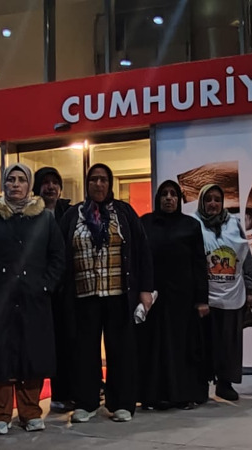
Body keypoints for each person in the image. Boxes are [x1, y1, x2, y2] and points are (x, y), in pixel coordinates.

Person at [0, 163, 64, 435]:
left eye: (21, 180)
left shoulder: (44, 218)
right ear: (4, 184)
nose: (16, 184)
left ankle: (31, 413)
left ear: (29, 185)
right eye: (11, 179)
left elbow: (58, 256)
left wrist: (46, 286)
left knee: (32, 355)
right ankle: (0, 415)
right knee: (0, 357)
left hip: (34, 299)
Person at [61, 163, 153, 424]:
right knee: (84, 351)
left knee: (121, 349)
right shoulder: (73, 215)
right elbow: (60, 252)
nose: (98, 184)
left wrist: (145, 290)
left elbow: (142, 251)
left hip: (118, 294)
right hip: (84, 295)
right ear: (87, 183)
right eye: (93, 179)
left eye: (103, 179)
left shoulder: (123, 212)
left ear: (110, 184)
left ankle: (122, 403)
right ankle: (86, 402)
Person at [137, 180, 210, 410]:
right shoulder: (145, 223)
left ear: (179, 199)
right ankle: (152, 396)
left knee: (181, 348)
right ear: (158, 198)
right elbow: (138, 259)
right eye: (164, 194)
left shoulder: (191, 226)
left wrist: (202, 299)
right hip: (153, 299)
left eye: (173, 194)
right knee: (154, 348)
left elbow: (199, 263)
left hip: (183, 300)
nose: (169, 198)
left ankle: (182, 395)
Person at [194, 184, 252, 401]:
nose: (213, 203)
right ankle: (201, 384)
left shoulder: (234, 223)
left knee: (229, 343)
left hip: (232, 294)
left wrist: (250, 286)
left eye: (217, 199)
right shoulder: (194, 224)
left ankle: (225, 383)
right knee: (204, 343)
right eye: (208, 199)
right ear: (202, 202)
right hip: (206, 297)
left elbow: (245, 256)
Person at [31, 166, 76, 413]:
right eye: (45, 182)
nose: (50, 187)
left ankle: (63, 394)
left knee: (66, 342)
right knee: (40, 345)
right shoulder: (29, 214)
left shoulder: (69, 213)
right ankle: (30, 402)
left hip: (66, 290)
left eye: (55, 182)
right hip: (39, 289)